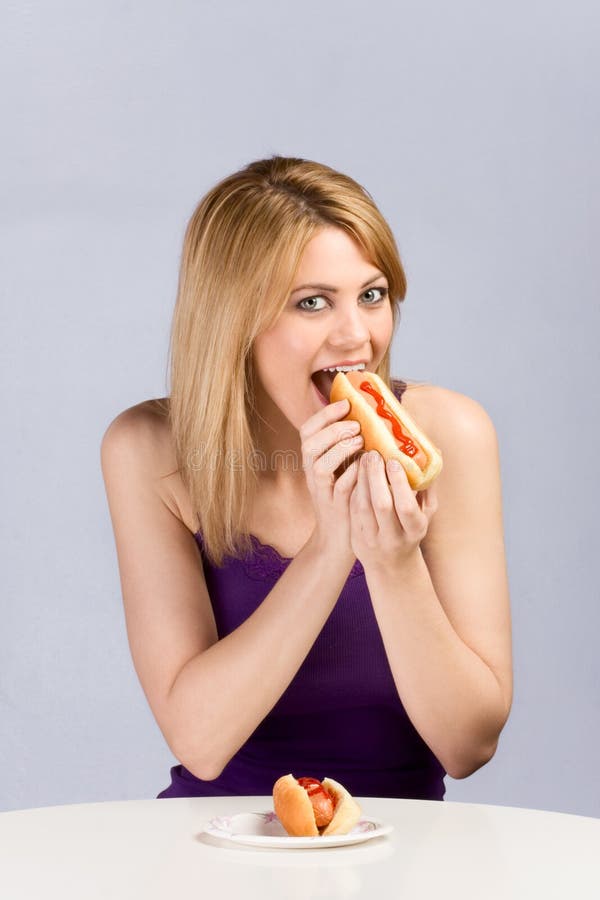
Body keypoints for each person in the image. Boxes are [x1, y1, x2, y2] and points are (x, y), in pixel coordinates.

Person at [101, 155, 513, 801]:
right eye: (312, 304)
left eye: (372, 296)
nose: (358, 337)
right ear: (233, 318)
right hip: (217, 840)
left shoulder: (451, 433)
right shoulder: (150, 451)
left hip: (407, 846)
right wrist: (332, 543)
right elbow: (200, 743)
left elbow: (468, 747)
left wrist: (393, 561)